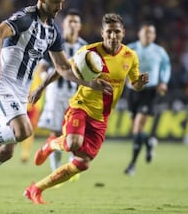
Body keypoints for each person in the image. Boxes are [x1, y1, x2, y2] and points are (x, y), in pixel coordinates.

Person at [0, 0, 112, 208]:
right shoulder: (25, 18)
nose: (60, 7)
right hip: (1, 86)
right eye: (56, 2)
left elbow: (63, 67)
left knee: (6, 151)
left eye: (63, 2)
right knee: (24, 129)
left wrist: (88, 83)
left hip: (19, 93)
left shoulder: (53, 31)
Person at [24, 13, 149, 204]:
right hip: (80, 106)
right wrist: (41, 87)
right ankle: (50, 145)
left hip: (101, 117)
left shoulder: (130, 56)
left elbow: (134, 84)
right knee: (73, 143)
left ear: (123, 33)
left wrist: (139, 83)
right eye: (109, 32)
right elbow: (61, 68)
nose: (113, 36)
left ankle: (36, 189)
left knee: (82, 163)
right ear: (102, 33)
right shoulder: (89, 53)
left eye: (117, 32)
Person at [36, 8, 87, 175]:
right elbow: (42, 65)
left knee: (75, 131)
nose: (72, 25)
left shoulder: (84, 48)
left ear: (80, 26)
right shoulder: (55, 43)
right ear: (64, 24)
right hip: (56, 94)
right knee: (57, 131)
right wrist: (45, 78)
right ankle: (55, 167)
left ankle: (71, 166)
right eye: (69, 21)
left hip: (76, 96)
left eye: (76, 22)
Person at [124, 22, 171, 176]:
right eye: (146, 32)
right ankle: (149, 143)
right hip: (132, 91)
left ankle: (132, 165)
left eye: (151, 33)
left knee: (137, 127)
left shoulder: (159, 51)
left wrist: (163, 81)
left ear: (154, 35)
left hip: (150, 92)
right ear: (139, 34)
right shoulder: (131, 48)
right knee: (137, 130)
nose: (148, 35)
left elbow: (166, 67)